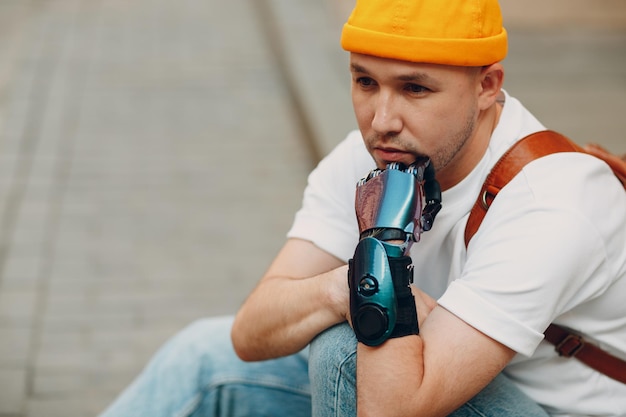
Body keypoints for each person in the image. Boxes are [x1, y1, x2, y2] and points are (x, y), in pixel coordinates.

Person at [98, 0, 626, 416]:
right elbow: (250, 332)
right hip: (449, 380)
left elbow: (392, 409)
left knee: (346, 354)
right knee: (202, 357)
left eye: (415, 88)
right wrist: (340, 286)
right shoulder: (370, 154)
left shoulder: (551, 205)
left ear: (487, 86)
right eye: (365, 81)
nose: (382, 119)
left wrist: (381, 245)